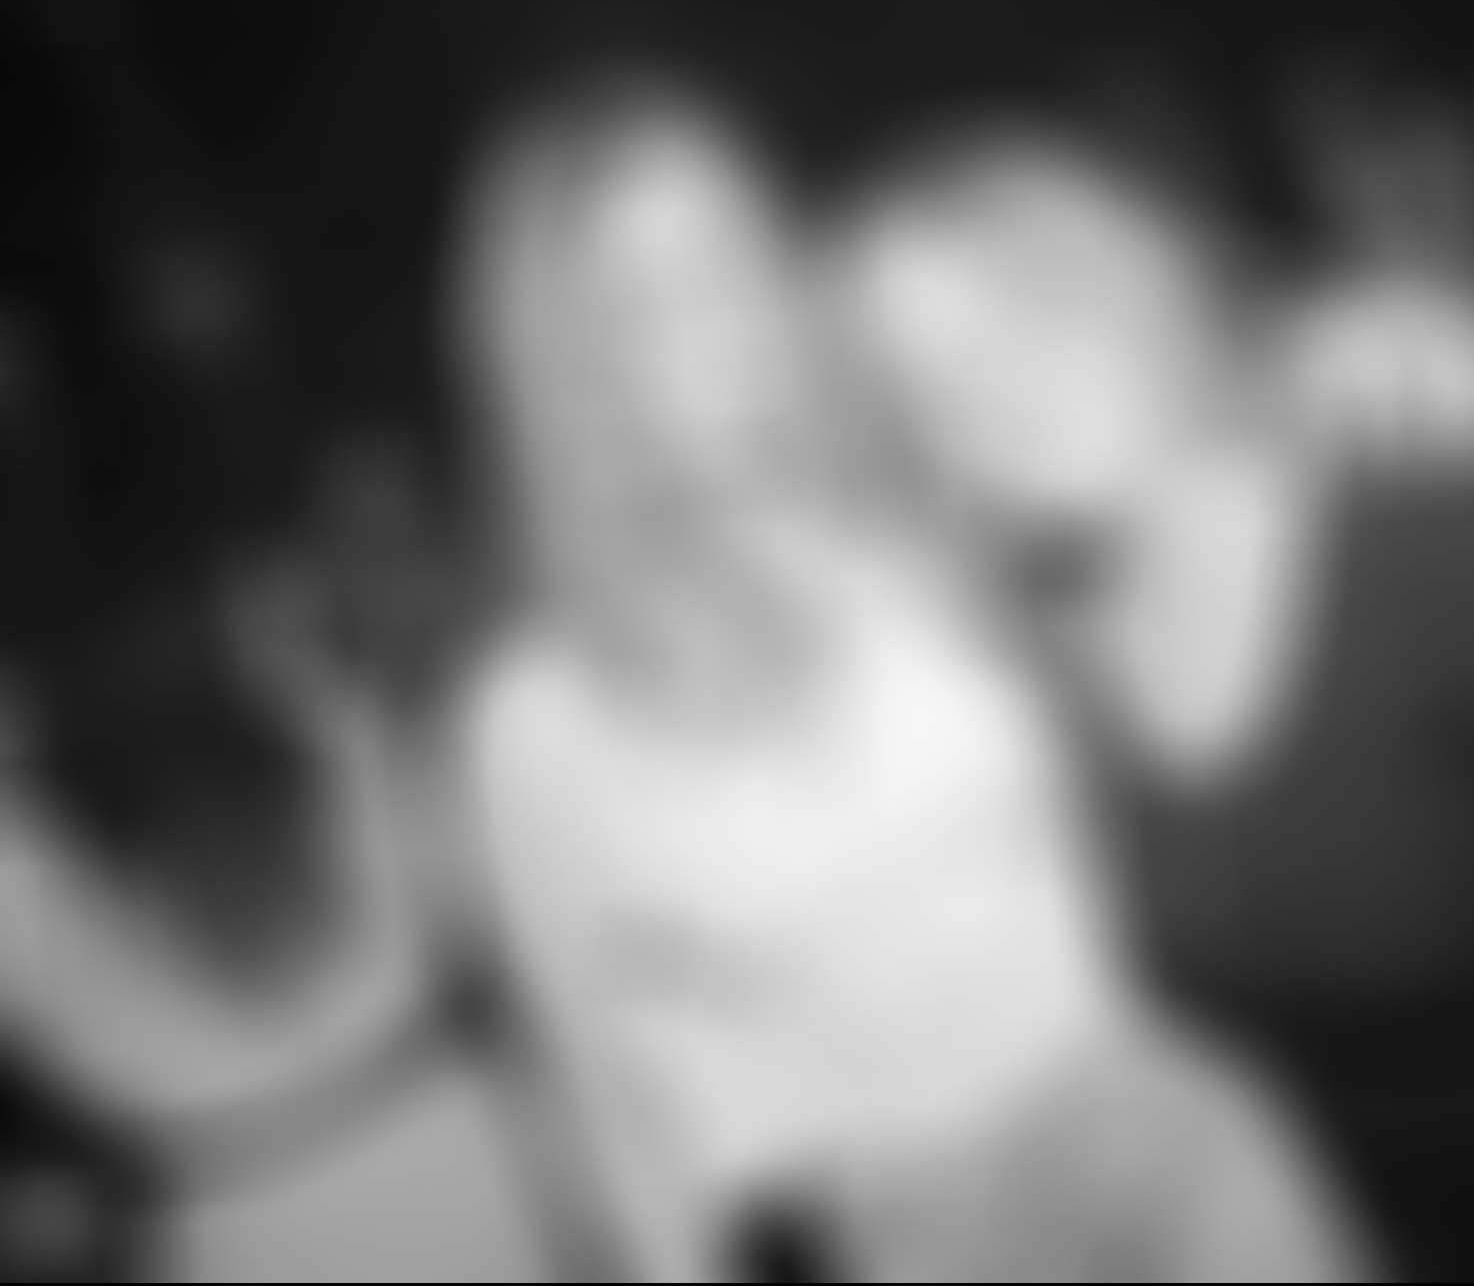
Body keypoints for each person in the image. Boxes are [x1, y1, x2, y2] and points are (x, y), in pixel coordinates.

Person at [832, 111, 1474, 1281]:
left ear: (1141, 291)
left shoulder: (1473, 547)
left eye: (1031, 319)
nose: (997, 397)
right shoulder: (1049, 685)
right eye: (931, 385)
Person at [447, 67, 1359, 1282]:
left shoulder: (912, 502)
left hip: (1169, 1120)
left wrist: (1356, 398)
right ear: (571, 363)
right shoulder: (542, 717)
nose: (728, 319)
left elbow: (1184, 514)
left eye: (735, 255)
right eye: (655, 296)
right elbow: (614, 1118)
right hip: (922, 1233)